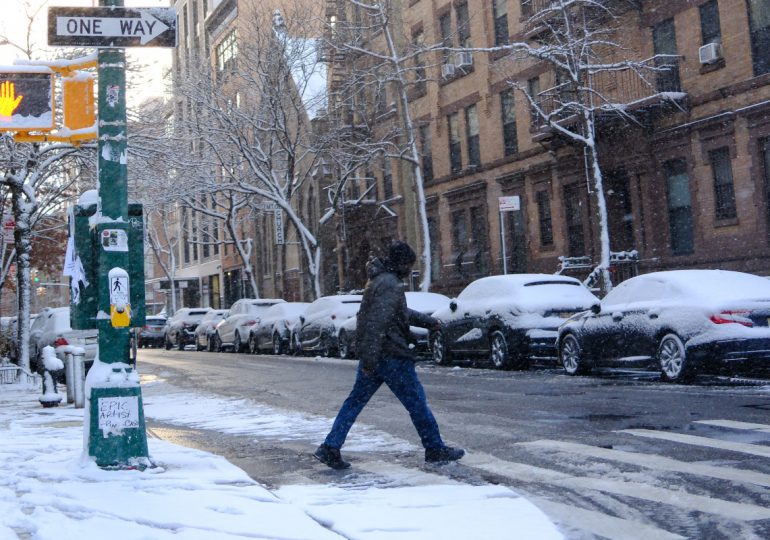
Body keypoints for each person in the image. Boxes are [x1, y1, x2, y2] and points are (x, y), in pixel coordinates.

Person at [314, 240, 464, 469]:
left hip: (377, 356)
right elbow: (376, 323)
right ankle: (434, 448)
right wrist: (370, 360)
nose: (410, 269)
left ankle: (330, 447)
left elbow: (398, 312)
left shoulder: (381, 280)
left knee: (354, 403)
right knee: (417, 403)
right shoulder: (389, 284)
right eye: (409, 264)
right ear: (401, 262)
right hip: (390, 356)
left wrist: (429, 322)